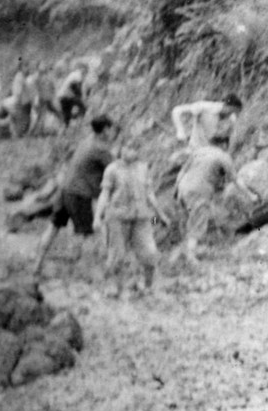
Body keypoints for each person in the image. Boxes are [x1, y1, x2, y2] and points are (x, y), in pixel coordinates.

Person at [33, 114, 117, 277]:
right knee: (87, 234)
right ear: (105, 130)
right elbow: (116, 171)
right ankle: (90, 274)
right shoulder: (101, 150)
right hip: (79, 195)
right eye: (110, 129)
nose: (112, 132)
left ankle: (37, 265)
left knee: (53, 227)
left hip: (64, 190)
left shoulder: (87, 141)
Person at [175, 134, 256, 266]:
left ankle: (184, 250)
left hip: (183, 187)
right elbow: (237, 181)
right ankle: (190, 257)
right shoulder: (224, 157)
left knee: (189, 219)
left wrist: (177, 191)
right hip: (199, 191)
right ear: (224, 145)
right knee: (198, 222)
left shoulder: (200, 152)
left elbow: (182, 172)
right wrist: (251, 195)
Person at [96, 148, 164, 297]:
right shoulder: (112, 169)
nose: (131, 152)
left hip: (142, 218)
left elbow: (149, 193)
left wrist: (160, 215)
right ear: (122, 150)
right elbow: (105, 194)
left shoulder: (143, 168)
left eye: (134, 149)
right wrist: (97, 217)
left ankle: (148, 287)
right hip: (117, 218)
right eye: (128, 148)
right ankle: (114, 288)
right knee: (117, 256)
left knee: (150, 253)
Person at [172, 93, 243, 149]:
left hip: (213, 153)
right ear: (225, 105)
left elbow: (230, 138)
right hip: (194, 149)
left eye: (235, 112)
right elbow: (177, 110)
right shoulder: (205, 107)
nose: (231, 114)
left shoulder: (232, 119)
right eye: (231, 110)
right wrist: (180, 131)